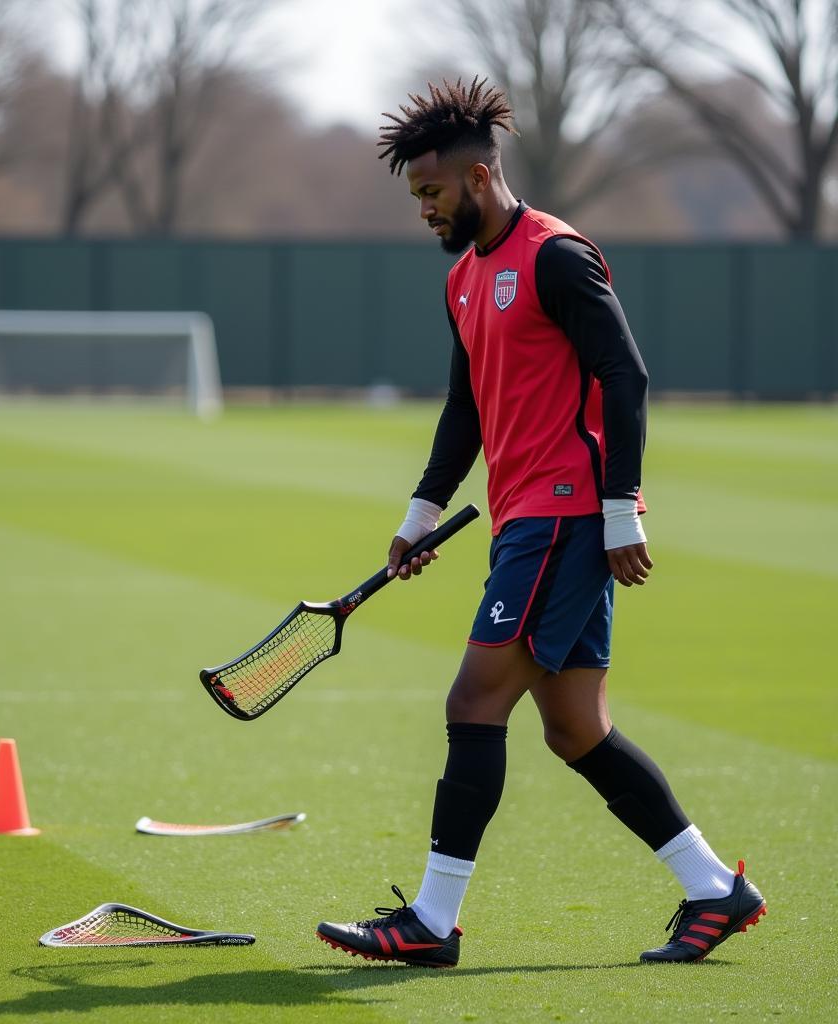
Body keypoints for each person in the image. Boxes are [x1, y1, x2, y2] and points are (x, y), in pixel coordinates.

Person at [315, 78, 765, 968]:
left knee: (473, 700)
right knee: (574, 729)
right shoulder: (464, 280)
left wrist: (619, 510)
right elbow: (465, 409)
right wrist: (420, 512)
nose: (425, 210)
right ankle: (716, 889)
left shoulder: (556, 255)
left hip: (564, 518)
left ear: (480, 177)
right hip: (524, 522)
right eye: (417, 198)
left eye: (432, 192)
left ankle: (433, 922)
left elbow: (624, 376)